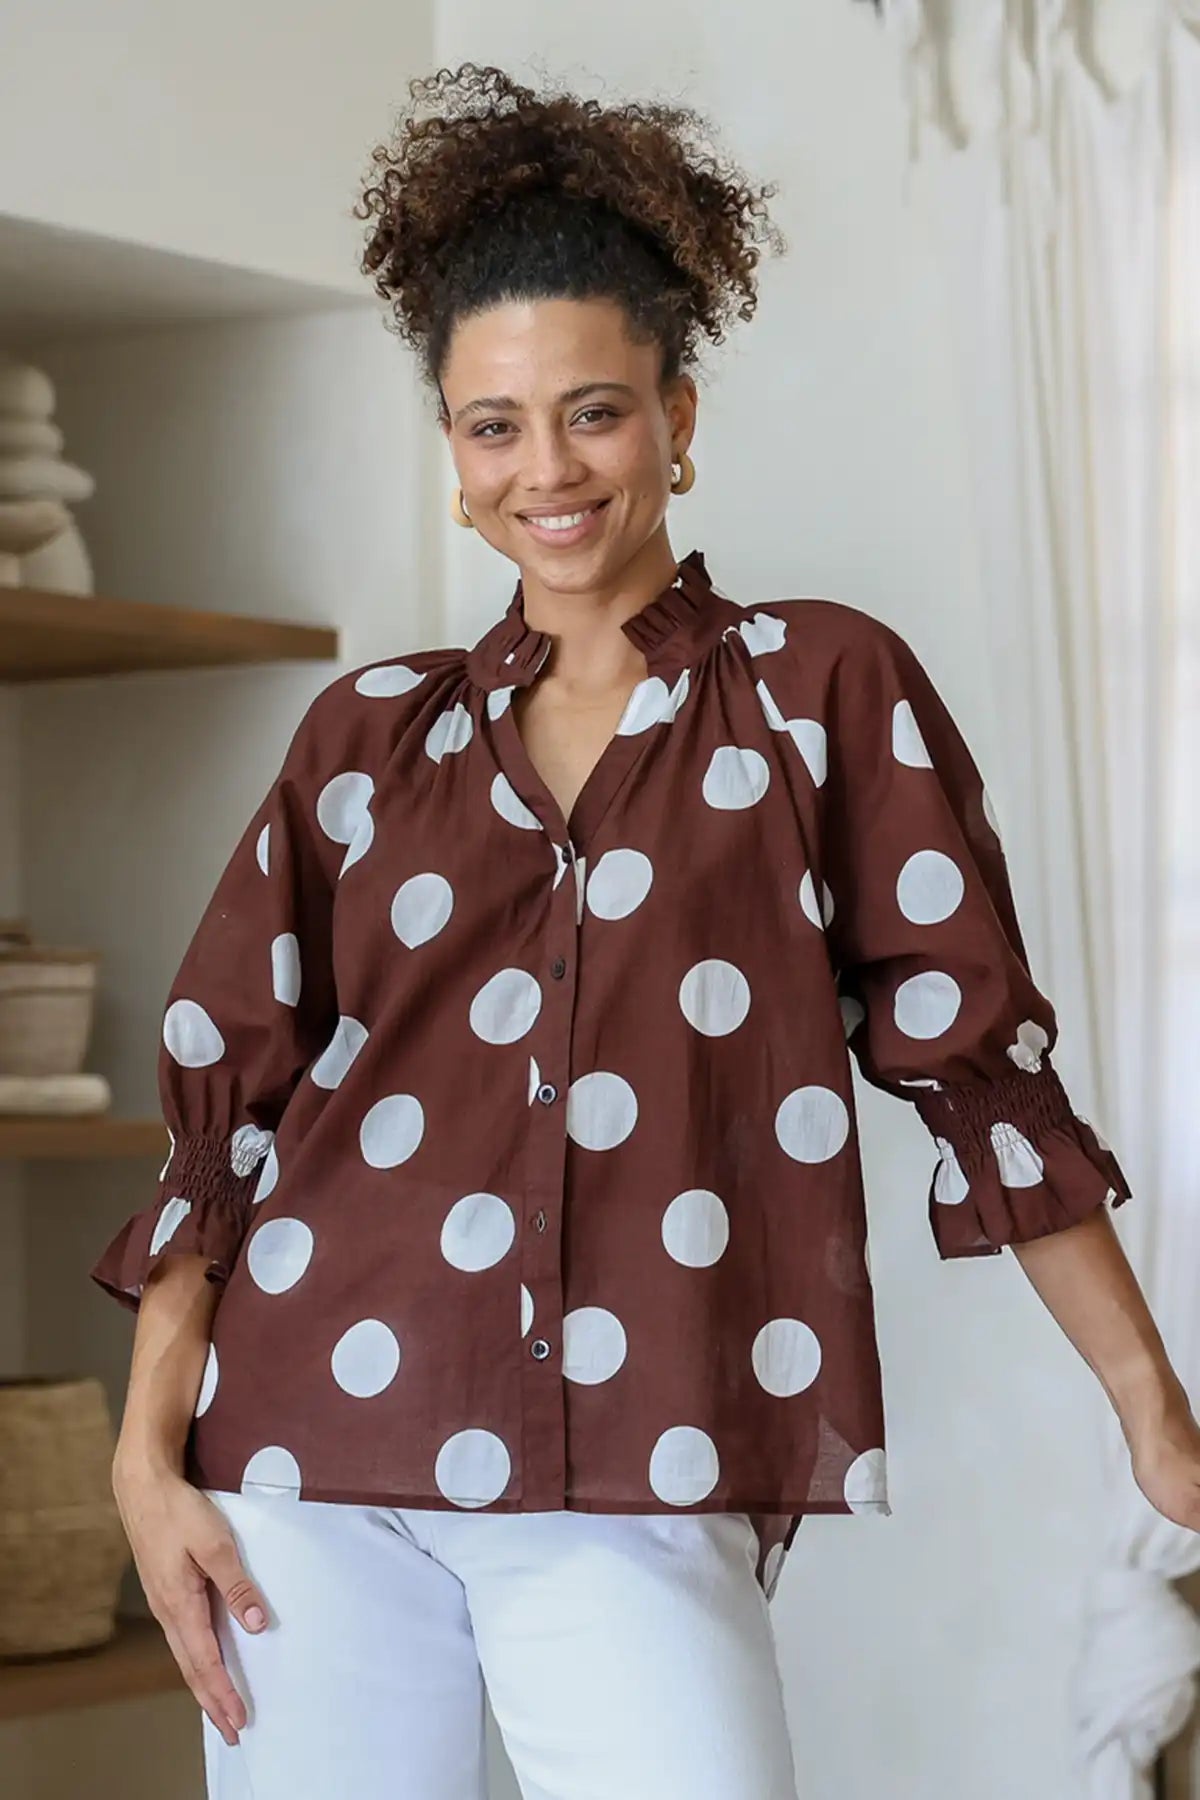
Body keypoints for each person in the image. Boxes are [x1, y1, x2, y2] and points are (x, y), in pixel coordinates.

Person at [91, 62, 1200, 1800]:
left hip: (642, 1460)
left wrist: (1156, 1414)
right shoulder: (365, 742)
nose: (550, 467)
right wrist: (150, 1460)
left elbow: (979, 1069)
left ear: (681, 419)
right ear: (454, 460)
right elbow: (223, 1121)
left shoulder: (824, 693)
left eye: (596, 412)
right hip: (306, 1460)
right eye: (495, 425)